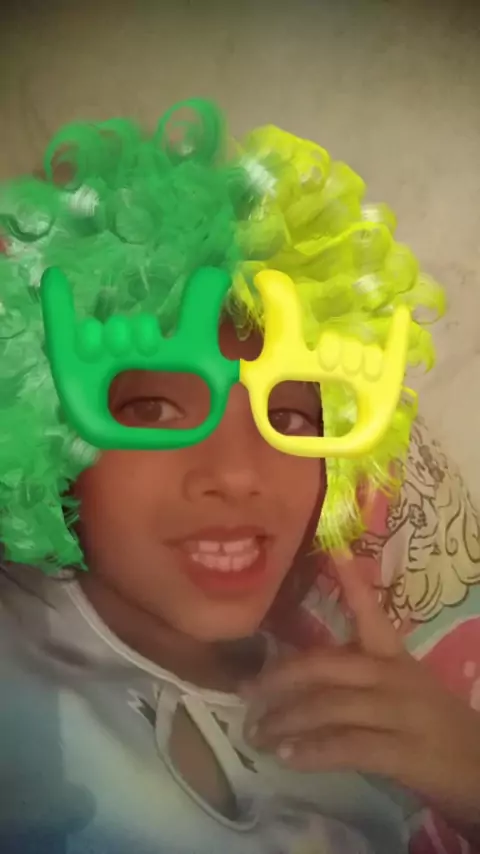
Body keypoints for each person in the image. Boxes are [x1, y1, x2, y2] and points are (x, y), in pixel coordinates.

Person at [0, 98, 478, 854]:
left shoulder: (379, 742)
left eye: (288, 416)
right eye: (154, 409)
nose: (235, 474)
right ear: (51, 437)